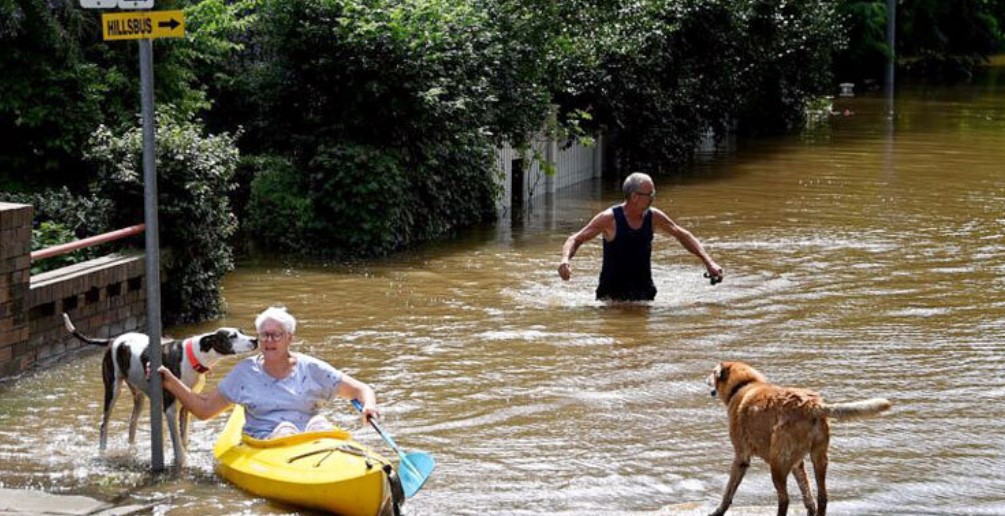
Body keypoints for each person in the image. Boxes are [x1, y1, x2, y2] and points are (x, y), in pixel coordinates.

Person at [157, 306, 380, 439]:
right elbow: (205, 410)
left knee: (319, 425)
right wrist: (170, 381)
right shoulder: (244, 373)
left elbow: (360, 390)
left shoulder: (311, 368)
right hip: (269, 442)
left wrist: (369, 405)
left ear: (289, 338)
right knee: (284, 429)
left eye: (276, 335)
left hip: (313, 440)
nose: (269, 341)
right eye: (264, 335)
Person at [557, 172, 724, 301]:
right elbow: (576, 239)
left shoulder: (653, 216)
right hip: (612, 296)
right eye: (650, 194)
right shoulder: (609, 219)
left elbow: (682, 235)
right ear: (634, 196)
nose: (653, 198)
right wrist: (565, 260)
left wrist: (708, 262)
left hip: (644, 293)